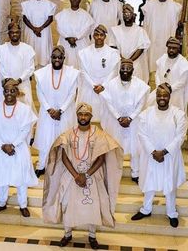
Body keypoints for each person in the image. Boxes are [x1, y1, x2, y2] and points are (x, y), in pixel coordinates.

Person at [43, 103, 123, 249]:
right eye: (81, 114)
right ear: (77, 116)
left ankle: (92, 236)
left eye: (86, 114)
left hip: (92, 175)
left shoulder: (99, 134)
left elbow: (101, 158)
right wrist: (76, 176)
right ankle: (67, 234)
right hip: (71, 175)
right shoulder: (68, 134)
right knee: (67, 203)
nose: (83, 117)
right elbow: (64, 157)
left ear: (91, 116)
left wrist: (85, 175)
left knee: (93, 206)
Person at [131, 83, 187, 228]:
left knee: (170, 185)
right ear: (156, 96)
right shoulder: (146, 113)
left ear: (169, 96)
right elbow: (142, 134)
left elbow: (180, 137)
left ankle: (171, 212)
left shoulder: (178, 114)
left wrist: (164, 152)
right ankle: (146, 209)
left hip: (169, 156)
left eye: (165, 95)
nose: (162, 98)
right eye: (159, 95)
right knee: (149, 183)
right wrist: (153, 151)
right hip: (151, 155)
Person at [0, 79, 38, 217]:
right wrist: (3, 144)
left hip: (18, 148)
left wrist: (13, 145)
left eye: (12, 90)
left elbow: (25, 130)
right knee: (1, 176)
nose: (9, 93)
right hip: (0, 148)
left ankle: (23, 205)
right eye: (6, 90)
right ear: (3, 92)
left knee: (21, 177)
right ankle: (1, 203)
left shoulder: (25, 110)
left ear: (17, 92)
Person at [33, 45, 79, 177]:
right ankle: (41, 165)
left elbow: (72, 94)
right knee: (45, 139)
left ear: (64, 58)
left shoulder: (72, 73)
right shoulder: (41, 73)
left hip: (65, 113)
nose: (57, 59)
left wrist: (61, 110)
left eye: (59, 57)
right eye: (54, 57)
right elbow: (39, 92)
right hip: (47, 113)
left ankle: (66, 165)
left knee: (65, 139)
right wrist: (49, 109)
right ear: (50, 58)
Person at [101, 59, 150, 183]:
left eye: (128, 69)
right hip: (115, 122)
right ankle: (114, 172)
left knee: (135, 148)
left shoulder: (140, 85)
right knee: (115, 147)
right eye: (123, 69)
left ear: (133, 71)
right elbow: (109, 103)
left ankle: (135, 173)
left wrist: (130, 118)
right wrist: (118, 117)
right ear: (119, 70)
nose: (125, 71)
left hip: (133, 122)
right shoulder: (111, 85)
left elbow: (141, 104)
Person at [78, 25, 119, 122]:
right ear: (93, 36)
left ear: (105, 36)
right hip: (88, 87)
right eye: (96, 35)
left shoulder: (113, 53)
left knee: (105, 118)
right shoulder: (84, 52)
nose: (99, 37)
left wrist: (103, 85)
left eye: (101, 35)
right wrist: (93, 85)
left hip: (106, 87)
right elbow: (83, 71)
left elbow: (114, 71)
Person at [142, 0, 182, 72]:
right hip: (152, 39)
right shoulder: (150, 4)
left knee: (165, 65)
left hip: (166, 39)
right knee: (152, 63)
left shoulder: (173, 5)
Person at [0, 22, 35, 107]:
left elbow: (30, 68)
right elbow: (1, 69)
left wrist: (19, 80)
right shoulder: (2, 50)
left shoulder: (28, 49)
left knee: (25, 110)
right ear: (9, 34)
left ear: (20, 33)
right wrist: (10, 83)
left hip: (23, 84)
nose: (14, 34)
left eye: (17, 32)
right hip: (7, 87)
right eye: (12, 32)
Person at [148, 37, 188, 112]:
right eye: (169, 48)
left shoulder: (183, 62)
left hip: (176, 94)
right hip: (161, 91)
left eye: (174, 48)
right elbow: (157, 75)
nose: (171, 50)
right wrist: (160, 86)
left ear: (178, 49)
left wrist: (169, 89)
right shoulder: (163, 58)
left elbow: (182, 82)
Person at [110, 4, 150, 83]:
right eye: (124, 14)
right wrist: (122, 60)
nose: (126, 16)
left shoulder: (140, 31)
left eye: (129, 13)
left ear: (133, 15)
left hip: (135, 63)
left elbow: (141, 48)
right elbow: (113, 46)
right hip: (119, 62)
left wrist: (129, 61)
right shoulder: (115, 30)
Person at [55, 0, 94, 69]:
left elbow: (87, 30)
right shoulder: (63, 13)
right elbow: (59, 27)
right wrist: (68, 37)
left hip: (81, 44)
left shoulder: (85, 15)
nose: (75, 0)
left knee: (80, 66)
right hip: (65, 43)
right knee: (66, 66)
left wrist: (76, 38)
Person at [21, 0, 56, 66]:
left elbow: (50, 18)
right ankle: (30, 67)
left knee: (43, 50)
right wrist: (34, 29)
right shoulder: (27, 4)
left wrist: (40, 28)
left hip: (43, 31)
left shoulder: (49, 4)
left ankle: (43, 67)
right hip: (30, 31)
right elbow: (25, 18)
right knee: (31, 50)